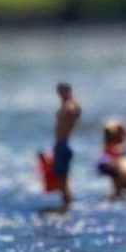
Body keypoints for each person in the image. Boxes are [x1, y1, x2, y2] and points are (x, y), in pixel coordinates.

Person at [43, 83, 81, 211]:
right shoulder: (65, 104)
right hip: (59, 144)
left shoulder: (70, 104)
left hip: (63, 144)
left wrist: (71, 108)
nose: (59, 94)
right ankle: (65, 202)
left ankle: (66, 203)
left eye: (62, 91)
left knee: (62, 177)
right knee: (60, 176)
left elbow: (75, 110)